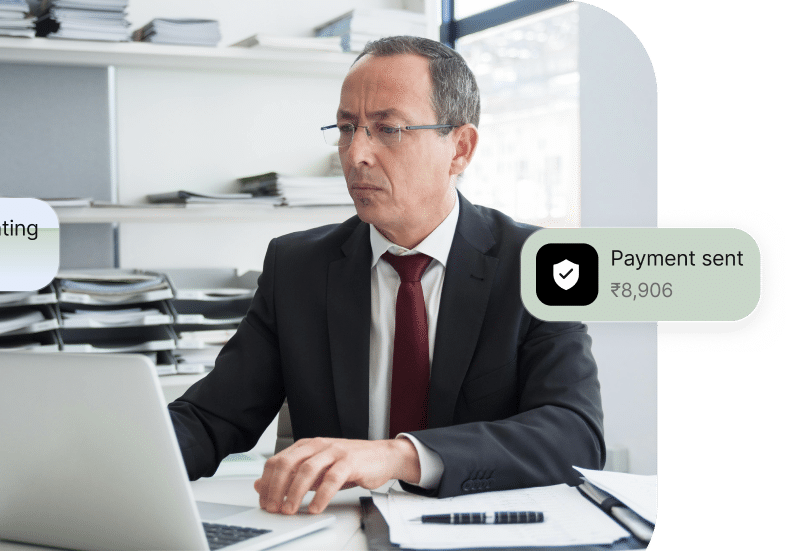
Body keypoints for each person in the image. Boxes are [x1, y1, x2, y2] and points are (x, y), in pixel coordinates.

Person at [168, 36, 604, 515]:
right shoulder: (297, 269)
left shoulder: (540, 263)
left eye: (387, 129)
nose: (355, 155)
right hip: (334, 543)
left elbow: (574, 436)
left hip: (479, 542)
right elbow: (210, 419)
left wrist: (400, 456)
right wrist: (104, 457)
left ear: (459, 148)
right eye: (346, 127)